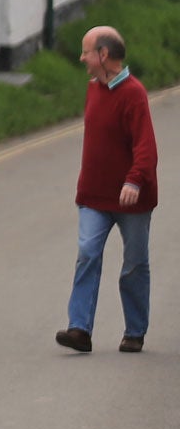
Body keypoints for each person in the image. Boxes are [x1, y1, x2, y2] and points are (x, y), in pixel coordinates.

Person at [56, 25, 158, 354]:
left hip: (132, 198)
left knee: (134, 264)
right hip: (94, 196)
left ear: (104, 55)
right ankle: (79, 330)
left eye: (87, 51)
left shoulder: (134, 93)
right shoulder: (93, 88)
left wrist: (134, 180)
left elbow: (146, 147)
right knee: (87, 254)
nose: (82, 57)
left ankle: (134, 331)